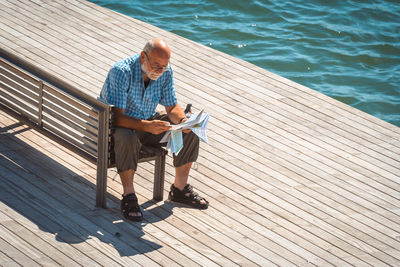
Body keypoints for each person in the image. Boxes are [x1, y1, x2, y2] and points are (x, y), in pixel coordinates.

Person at [99, 38, 208, 221]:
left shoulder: (165, 72)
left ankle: (179, 190)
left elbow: (172, 106)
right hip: (113, 130)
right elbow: (116, 117)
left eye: (164, 66)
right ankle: (129, 195)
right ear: (143, 56)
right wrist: (145, 126)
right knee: (126, 135)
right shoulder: (121, 71)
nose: (160, 71)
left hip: (147, 124)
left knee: (189, 130)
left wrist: (183, 121)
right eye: (156, 65)